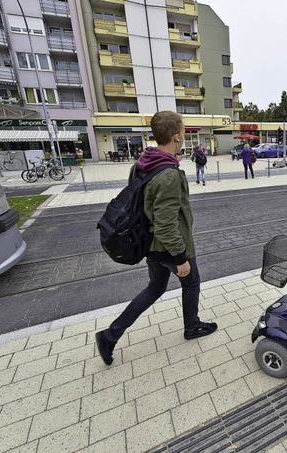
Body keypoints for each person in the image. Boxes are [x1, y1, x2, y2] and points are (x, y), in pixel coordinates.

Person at [95, 111, 217, 366]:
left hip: (148, 243)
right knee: (191, 282)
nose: (184, 136)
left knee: (155, 288)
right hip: (169, 246)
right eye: (183, 132)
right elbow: (166, 224)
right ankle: (192, 326)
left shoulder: (143, 163)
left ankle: (110, 335)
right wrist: (181, 258)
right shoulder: (169, 175)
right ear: (176, 136)